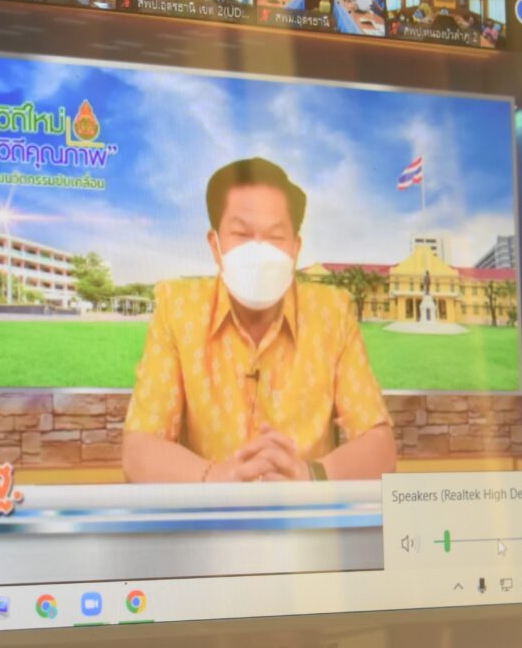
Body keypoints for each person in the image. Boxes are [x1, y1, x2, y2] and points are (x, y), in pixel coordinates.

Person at [123, 158, 397, 483]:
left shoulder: (332, 313)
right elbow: (138, 450)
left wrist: (311, 477)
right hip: (212, 513)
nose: (258, 250)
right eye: (241, 233)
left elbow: (380, 448)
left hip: (307, 513)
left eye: (275, 236)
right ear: (215, 245)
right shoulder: (179, 308)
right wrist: (215, 478)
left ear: (295, 248)